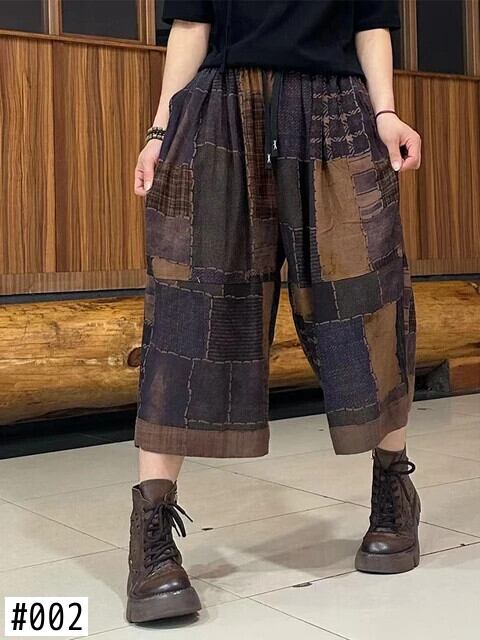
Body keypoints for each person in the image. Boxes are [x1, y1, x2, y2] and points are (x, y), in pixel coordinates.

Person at [128, 0, 422, 623]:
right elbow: (191, 26)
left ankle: (393, 489)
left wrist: (387, 113)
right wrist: (159, 131)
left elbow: (371, 24)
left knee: (366, 302)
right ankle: (151, 535)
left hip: (337, 110)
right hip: (221, 109)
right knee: (188, 309)